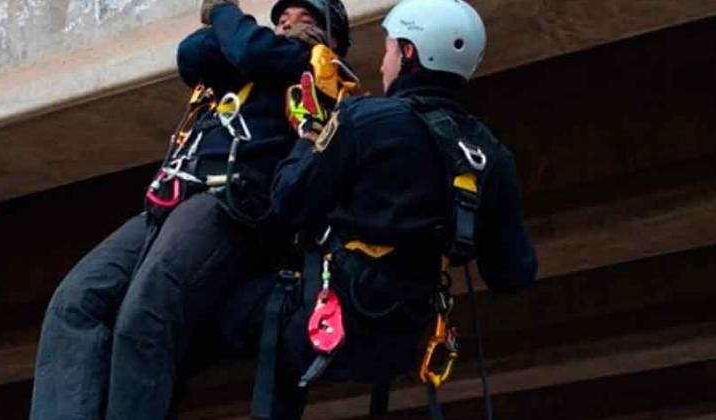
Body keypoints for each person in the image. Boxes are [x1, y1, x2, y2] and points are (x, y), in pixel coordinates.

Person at [29, 1, 350, 420]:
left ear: (331, 35)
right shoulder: (245, 68)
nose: (285, 22)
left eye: (300, 16)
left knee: (146, 310)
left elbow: (251, 49)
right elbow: (191, 55)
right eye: (281, 17)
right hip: (169, 205)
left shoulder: (310, 64)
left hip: (226, 205)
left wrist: (222, 10)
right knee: (76, 302)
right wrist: (226, 25)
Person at [218, 0, 538, 418]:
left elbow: (288, 201)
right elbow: (511, 274)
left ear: (408, 52)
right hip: (404, 345)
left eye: (388, 49)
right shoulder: (490, 156)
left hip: (323, 330)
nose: (383, 63)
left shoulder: (365, 119)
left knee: (217, 307)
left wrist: (312, 128)